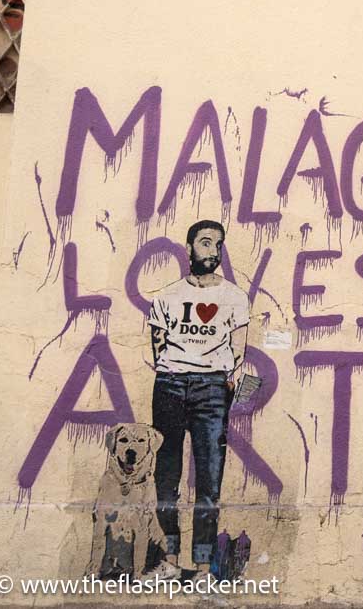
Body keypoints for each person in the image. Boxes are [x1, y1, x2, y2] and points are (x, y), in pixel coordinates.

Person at [147, 220, 250, 579]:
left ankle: (204, 565)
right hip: (171, 386)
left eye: (218, 245)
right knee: (166, 476)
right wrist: (175, 372)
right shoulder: (166, 297)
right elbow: (158, 347)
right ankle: (170, 560)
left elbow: (239, 350)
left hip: (212, 389)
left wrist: (222, 384)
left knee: (209, 480)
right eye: (205, 243)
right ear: (188, 247)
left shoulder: (235, 297)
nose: (213, 250)